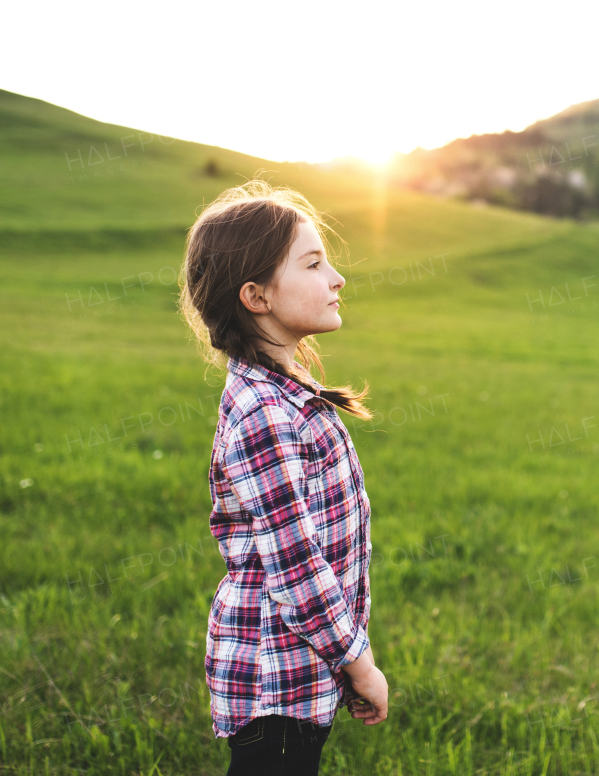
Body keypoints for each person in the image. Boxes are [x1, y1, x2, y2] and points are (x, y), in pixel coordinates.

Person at [180, 180, 388, 775]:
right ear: (256, 296)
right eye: (314, 263)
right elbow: (297, 567)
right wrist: (361, 664)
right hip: (275, 676)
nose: (337, 278)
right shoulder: (265, 415)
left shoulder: (284, 395)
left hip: (300, 669)